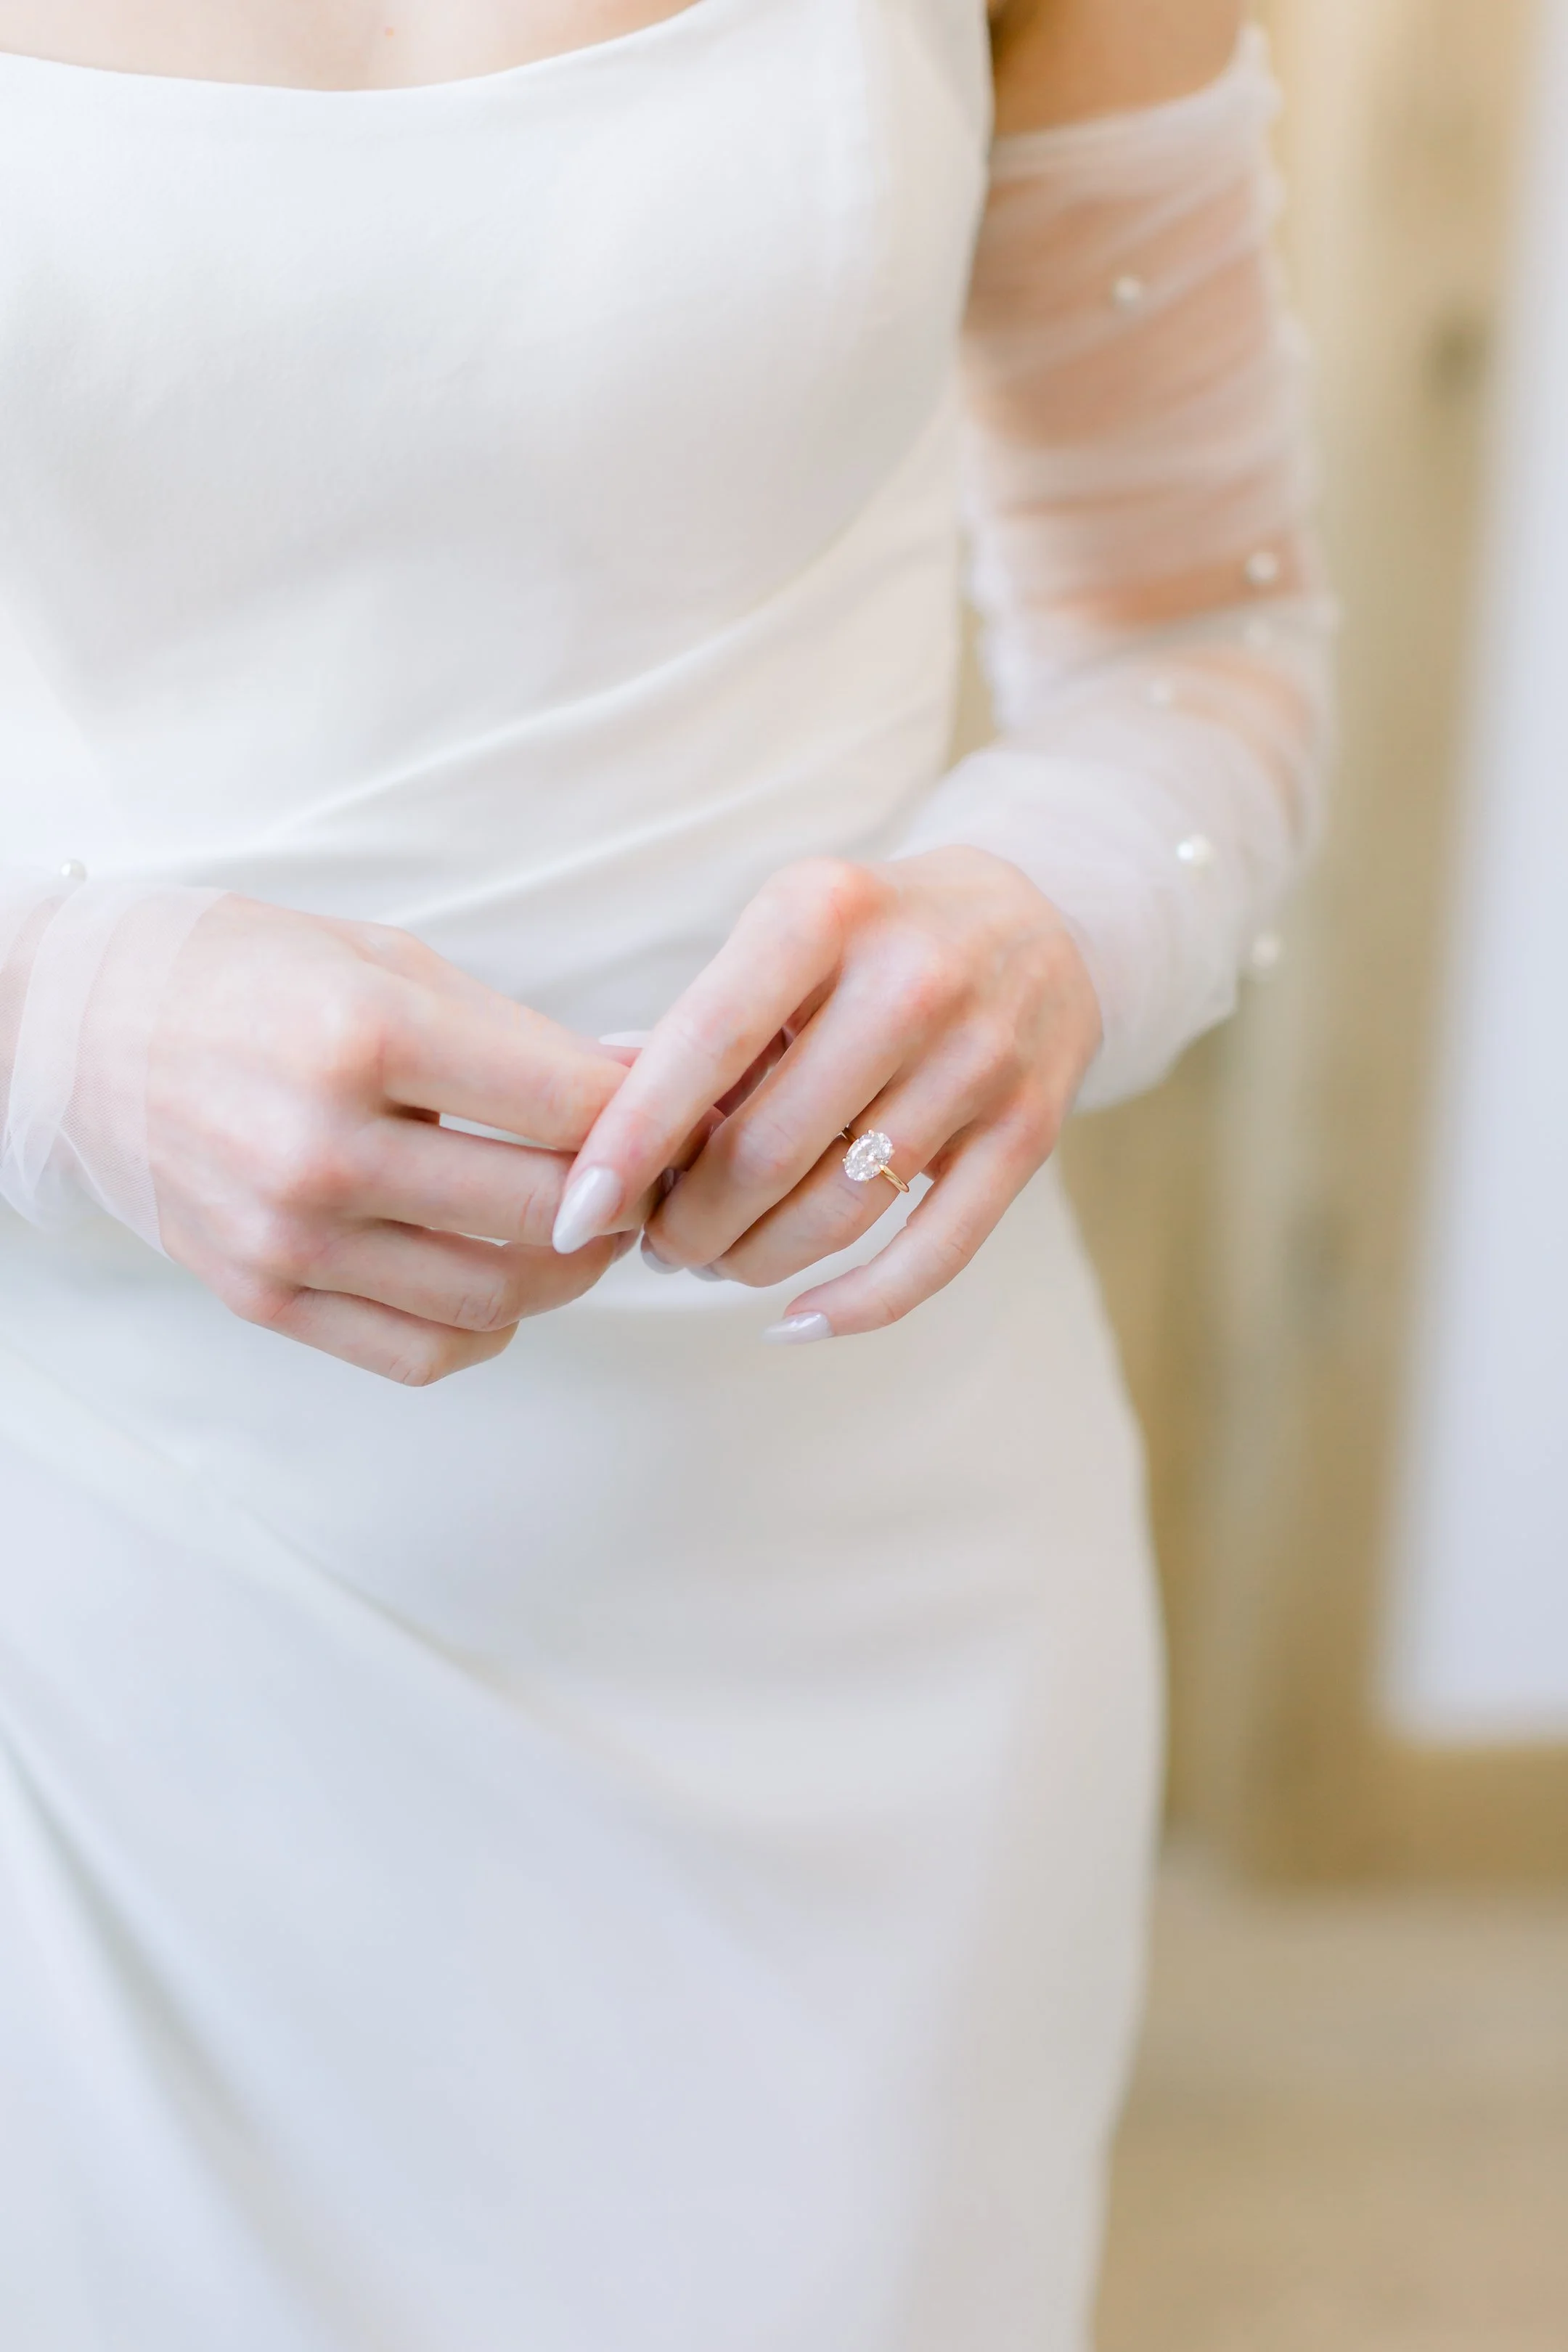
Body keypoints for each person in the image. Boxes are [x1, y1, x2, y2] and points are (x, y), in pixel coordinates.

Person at [0, 1, 1331, 2343]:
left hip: (842, 1584)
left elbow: (1203, 626)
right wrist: (57, 1022)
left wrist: (1043, 922)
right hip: (98, 1595)